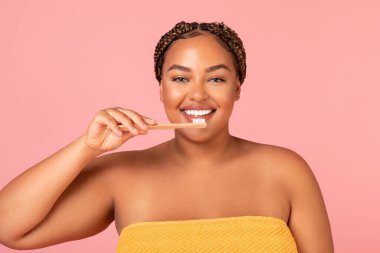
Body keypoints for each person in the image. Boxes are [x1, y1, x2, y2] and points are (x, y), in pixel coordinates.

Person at [0, 21, 334, 252]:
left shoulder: (286, 170)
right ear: (161, 89)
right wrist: (86, 148)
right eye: (180, 78)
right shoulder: (121, 175)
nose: (197, 95)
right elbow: (9, 228)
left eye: (216, 80)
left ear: (237, 88)